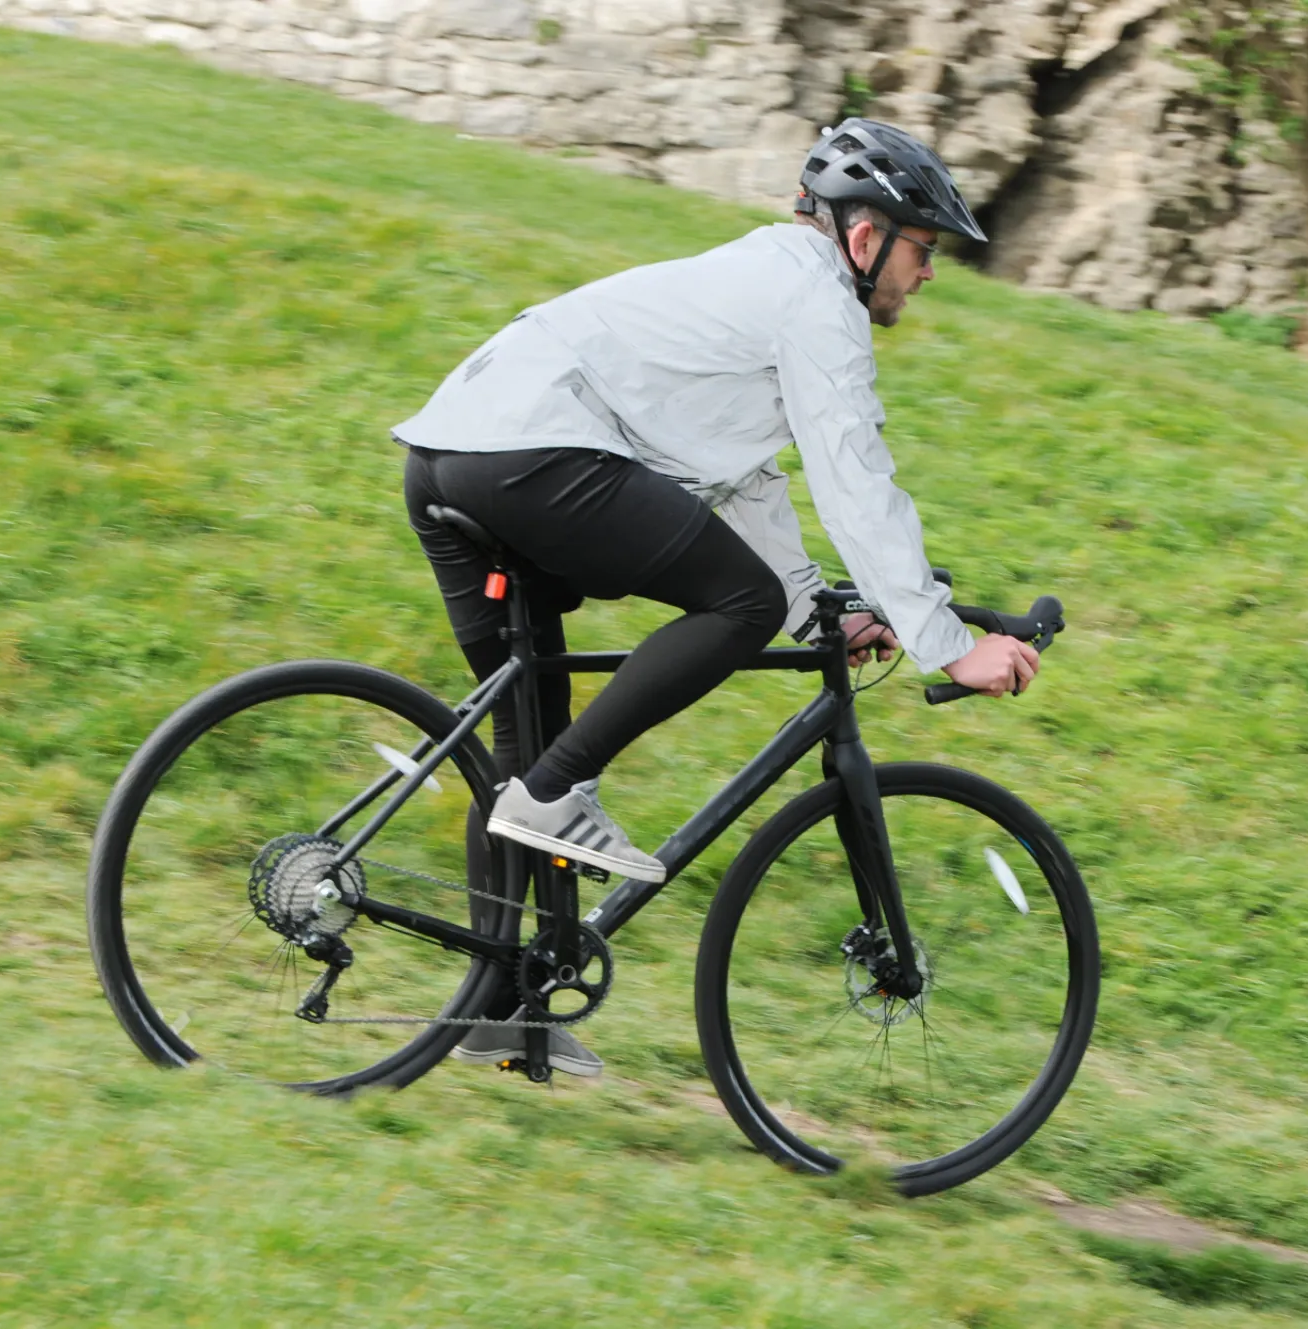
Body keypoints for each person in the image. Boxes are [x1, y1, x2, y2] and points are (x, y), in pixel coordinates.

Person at [395, 118, 1041, 1074]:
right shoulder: (815, 302)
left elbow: (743, 479)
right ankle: (558, 792)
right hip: (532, 451)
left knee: (524, 742)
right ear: (865, 237)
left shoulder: (760, 280)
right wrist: (946, 643)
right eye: (923, 248)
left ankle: (498, 1007)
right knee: (736, 607)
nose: (929, 273)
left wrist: (821, 610)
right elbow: (853, 478)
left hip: (451, 455)